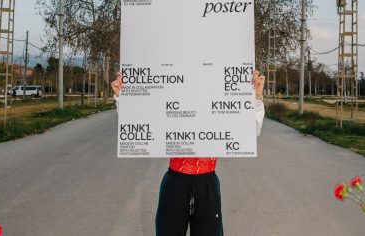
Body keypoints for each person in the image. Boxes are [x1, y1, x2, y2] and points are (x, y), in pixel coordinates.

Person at [111, 70, 265, 236]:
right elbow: (142, 122)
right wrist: (122, 98)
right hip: (175, 181)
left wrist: (255, 98)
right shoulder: (173, 95)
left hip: (207, 183)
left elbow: (247, 133)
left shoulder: (217, 96)